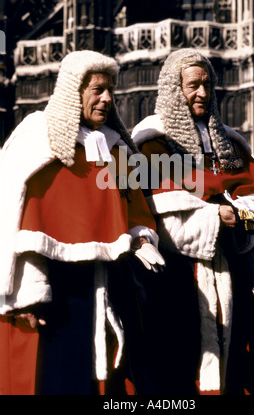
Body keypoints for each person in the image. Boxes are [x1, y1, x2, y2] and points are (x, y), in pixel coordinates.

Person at [0, 50, 163, 395]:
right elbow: (12, 220)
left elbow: (134, 210)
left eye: (110, 91)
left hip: (113, 284)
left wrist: (141, 238)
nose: (107, 98)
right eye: (97, 89)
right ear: (74, 90)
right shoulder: (36, 138)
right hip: (57, 290)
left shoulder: (117, 148)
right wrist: (26, 295)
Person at [132, 48, 254, 395]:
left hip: (230, 269)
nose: (202, 93)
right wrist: (215, 216)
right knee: (178, 364)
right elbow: (154, 211)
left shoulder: (230, 143)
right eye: (192, 86)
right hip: (178, 275)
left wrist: (243, 218)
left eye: (206, 85)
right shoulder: (152, 143)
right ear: (174, 88)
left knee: (244, 360)